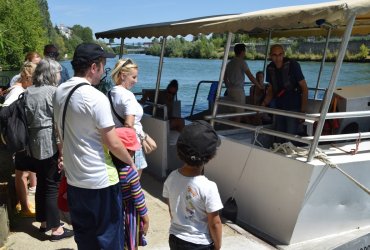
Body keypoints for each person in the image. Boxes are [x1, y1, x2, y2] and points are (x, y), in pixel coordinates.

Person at [53, 43, 135, 249]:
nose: (103, 71)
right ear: (93, 67)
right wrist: (129, 162)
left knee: (85, 237)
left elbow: (60, 132)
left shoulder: (60, 91)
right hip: (101, 181)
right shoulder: (95, 97)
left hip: (75, 179)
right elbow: (112, 141)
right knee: (108, 237)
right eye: (103, 65)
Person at [24, 58, 73, 240]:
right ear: (52, 74)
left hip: (33, 144)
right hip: (49, 143)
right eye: (58, 72)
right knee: (52, 185)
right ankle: (56, 229)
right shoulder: (54, 92)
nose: (60, 75)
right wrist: (62, 152)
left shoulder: (29, 91)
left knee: (43, 183)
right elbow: (57, 126)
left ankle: (43, 223)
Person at [163, 121, 223, 250]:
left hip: (175, 238)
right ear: (211, 156)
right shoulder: (209, 187)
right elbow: (215, 223)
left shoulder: (171, 177)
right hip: (200, 244)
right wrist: (217, 247)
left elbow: (172, 210)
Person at [3, 61, 37, 218]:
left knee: (22, 171)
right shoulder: (17, 92)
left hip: (18, 137)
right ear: (27, 78)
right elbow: (5, 113)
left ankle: (23, 203)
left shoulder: (17, 89)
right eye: (34, 80)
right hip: (18, 138)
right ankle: (24, 206)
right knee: (21, 173)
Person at [111, 127, 149, 250]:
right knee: (132, 242)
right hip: (129, 213)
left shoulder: (109, 169)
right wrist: (146, 218)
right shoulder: (130, 174)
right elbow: (138, 199)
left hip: (113, 210)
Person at [110, 58, 148, 177]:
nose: (136, 81)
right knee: (134, 183)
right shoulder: (128, 95)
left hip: (115, 143)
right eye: (133, 77)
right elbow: (129, 125)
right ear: (122, 75)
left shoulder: (109, 92)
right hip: (130, 146)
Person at [261, 44, 308, 139]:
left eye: (280, 54)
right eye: (274, 55)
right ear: (270, 56)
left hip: (293, 108)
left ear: (284, 54)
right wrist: (263, 104)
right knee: (279, 136)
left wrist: (302, 112)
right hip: (279, 108)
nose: (278, 58)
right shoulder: (270, 68)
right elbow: (270, 89)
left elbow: (304, 88)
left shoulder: (293, 65)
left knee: (290, 138)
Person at [223, 43, 264, 122]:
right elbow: (250, 76)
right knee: (239, 114)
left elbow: (225, 78)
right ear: (242, 52)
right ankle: (235, 131)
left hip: (230, 90)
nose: (245, 53)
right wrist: (259, 86)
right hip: (238, 91)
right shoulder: (242, 62)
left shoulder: (229, 63)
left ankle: (233, 127)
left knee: (234, 111)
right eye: (245, 51)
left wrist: (228, 87)